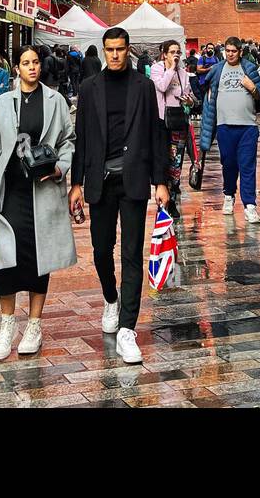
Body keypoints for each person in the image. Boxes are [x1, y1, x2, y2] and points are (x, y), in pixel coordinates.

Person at [69, 27, 169, 365]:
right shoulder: (89, 88)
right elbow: (81, 137)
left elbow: (157, 135)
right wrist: (77, 182)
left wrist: (162, 181)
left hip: (134, 179)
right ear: (103, 50)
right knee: (100, 250)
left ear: (128, 51)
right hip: (100, 179)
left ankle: (128, 328)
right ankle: (110, 298)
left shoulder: (144, 86)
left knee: (131, 254)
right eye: (109, 49)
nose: (114, 55)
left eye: (120, 49)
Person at [0, 46, 76, 361]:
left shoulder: (55, 102)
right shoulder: (5, 102)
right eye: (26, 63)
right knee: (6, 260)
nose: (32, 67)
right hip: (11, 190)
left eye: (35, 63)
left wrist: (60, 168)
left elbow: (68, 141)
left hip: (43, 190)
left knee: (37, 261)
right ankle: (6, 327)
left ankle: (33, 326)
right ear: (16, 68)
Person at [199, 36, 260, 224]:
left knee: (247, 166)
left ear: (240, 52)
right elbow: (205, 92)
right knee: (228, 164)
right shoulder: (217, 70)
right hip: (224, 126)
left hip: (247, 126)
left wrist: (253, 88)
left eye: (234, 51)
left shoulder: (249, 69)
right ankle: (229, 195)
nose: (230, 54)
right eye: (227, 51)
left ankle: (250, 205)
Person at [150, 39, 195, 220]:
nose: (176, 55)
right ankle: (164, 200)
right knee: (162, 161)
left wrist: (189, 100)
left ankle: (174, 199)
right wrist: (170, 69)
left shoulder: (184, 73)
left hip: (179, 121)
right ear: (165, 54)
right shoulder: (157, 69)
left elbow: (190, 94)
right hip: (162, 121)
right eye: (172, 52)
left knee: (176, 162)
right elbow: (161, 87)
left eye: (178, 52)